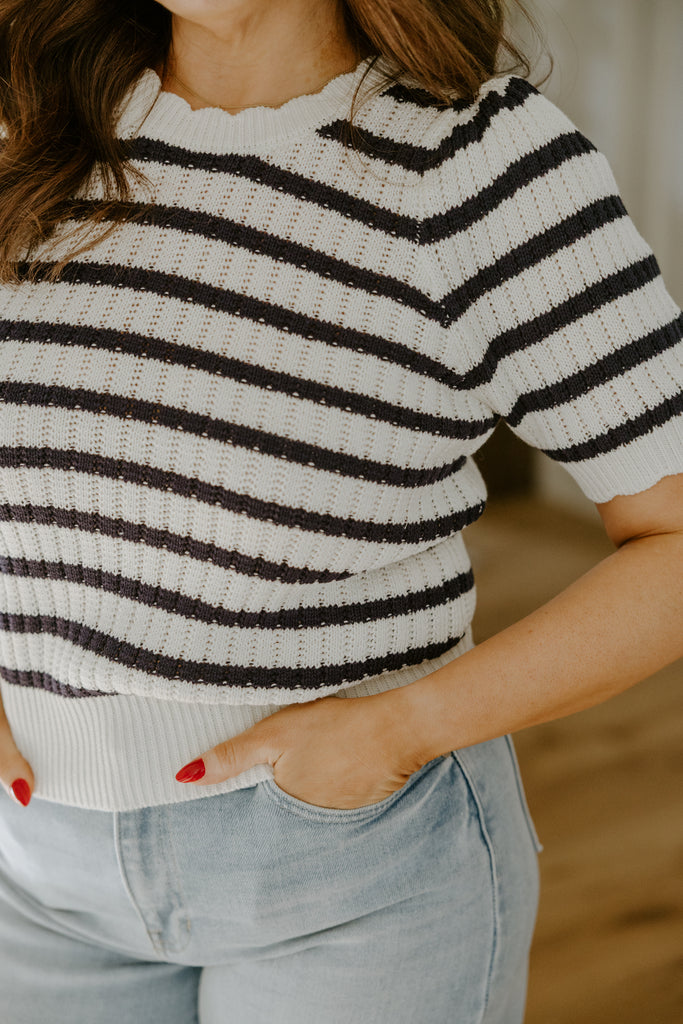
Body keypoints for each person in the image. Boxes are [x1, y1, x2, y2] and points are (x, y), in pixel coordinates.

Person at [0, 0, 681, 1021]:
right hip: (32, 878)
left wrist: (400, 729)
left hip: (354, 870)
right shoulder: (29, 126)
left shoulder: (482, 169)